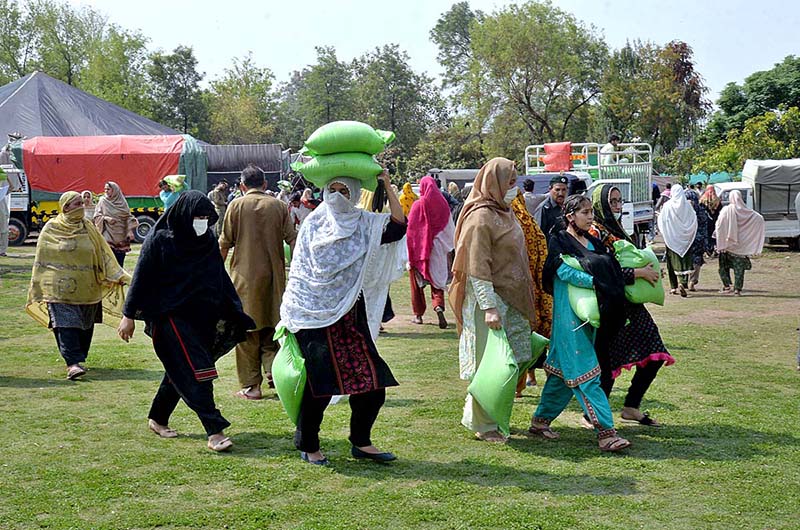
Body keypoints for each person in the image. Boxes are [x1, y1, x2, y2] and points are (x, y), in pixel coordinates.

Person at [280, 172, 406, 465]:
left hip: (349, 313)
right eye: (331, 190)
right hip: (313, 317)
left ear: (355, 193)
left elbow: (399, 226)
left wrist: (387, 185)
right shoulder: (313, 223)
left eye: (344, 191)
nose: (336, 196)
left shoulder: (363, 224)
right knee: (320, 386)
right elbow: (301, 272)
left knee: (373, 384)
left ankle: (361, 442)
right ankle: (308, 443)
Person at [118, 191, 255, 452]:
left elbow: (219, 277)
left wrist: (235, 311)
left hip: (202, 316)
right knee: (198, 371)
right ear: (184, 215)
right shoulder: (160, 240)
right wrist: (128, 316)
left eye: (206, 217)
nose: (202, 222)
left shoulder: (207, 240)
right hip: (168, 316)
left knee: (181, 369)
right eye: (197, 216)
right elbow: (142, 278)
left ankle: (158, 418)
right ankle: (215, 430)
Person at [530, 194, 631, 452]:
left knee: (562, 373)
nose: (589, 217)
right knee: (586, 373)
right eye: (584, 212)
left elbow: (610, 267)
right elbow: (562, 271)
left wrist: (605, 283)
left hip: (592, 314)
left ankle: (540, 422)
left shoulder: (594, 242)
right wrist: (596, 282)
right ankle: (606, 433)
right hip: (569, 318)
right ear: (570, 216)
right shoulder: (559, 240)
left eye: (591, 212)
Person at [450, 157, 536, 443]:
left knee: (513, 359)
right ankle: (483, 424)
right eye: (510, 183)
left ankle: (490, 416)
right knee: (490, 364)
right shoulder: (480, 217)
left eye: (515, 182)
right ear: (494, 183)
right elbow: (477, 266)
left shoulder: (505, 211)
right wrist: (489, 307)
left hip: (510, 298)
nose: (515, 188)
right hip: (489, 302)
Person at [590, 184, 675, 426]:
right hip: (613, 304)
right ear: (601, 204)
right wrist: (637, 273)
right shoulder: (595, 234)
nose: (617, 206)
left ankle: (631, 406)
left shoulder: (615, 229)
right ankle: (594, 414)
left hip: (631, 305)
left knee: (654, 353)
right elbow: (601, 271)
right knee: (609, 362)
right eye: (613, 202)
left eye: (619, 201)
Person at [26, 191, 130, 380]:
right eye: (76, 204)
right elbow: (43, 260)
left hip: (88, 287)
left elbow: (103, 252)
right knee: (66, 323)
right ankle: (72, 364)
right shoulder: (52, 228)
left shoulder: (88, 227)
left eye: (82, 203)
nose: (81, 207)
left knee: (85, 325)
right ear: (65, 207)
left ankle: (78, 357)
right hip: (58, 289)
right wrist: (41, 285)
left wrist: (118, 274)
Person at [219, 165, 297, 400]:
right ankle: (275, 372)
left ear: (242, 186)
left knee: (246, 334)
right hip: (275, 279)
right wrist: (296, 271)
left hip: (244, 280)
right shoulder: (279, 206)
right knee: (272, 329)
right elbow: (293, 240)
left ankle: (252, 386)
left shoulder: (236, 205)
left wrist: (214, 273)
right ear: (265, 184)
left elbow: (224, 243)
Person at [509, 187, 552, 394]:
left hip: (523, 285)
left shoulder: (515, 219)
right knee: (528, 333)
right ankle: (525, 379)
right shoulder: (525, 219)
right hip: (529, 284)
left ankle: (521, 381)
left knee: (523, 335)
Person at [407, 176, 455, 329]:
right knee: (436, 283)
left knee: (416, 286)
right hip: (438, 251)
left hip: (420, 252)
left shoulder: (417, 205)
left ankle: (418, 315)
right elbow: (449, 230)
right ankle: (438, 306)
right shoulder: (443, 205)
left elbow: (411, 232)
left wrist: (412, 251)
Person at [715, 189, 765, 296]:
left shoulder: (726, 210)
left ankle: (727, 286)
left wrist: (720, 239)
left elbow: (719, 225)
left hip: (727, 245)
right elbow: (759, 218)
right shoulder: (748, 212)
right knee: (739, 269)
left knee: (723, 267)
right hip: (741, 246)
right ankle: (737, 289)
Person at [658, 185, 697, 297]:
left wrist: (667, 233)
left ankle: (673, 287)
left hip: (671, 239)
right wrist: (687, 234)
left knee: (671, 262)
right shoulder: (687, 206)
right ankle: (682, 282)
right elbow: (693, 220)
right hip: (685, 240)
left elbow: (662, 221)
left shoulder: (667, 206)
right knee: (684, 261)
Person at [93, 182, 138, 268]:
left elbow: (128, 217)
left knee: (119, 260)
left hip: (121, 234)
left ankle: (120, 278)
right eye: (105, 189)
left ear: (115, 190)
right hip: (107, 232)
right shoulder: (103, 201)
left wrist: (130, 231)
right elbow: (97, 215)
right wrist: (106, 218)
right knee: (108, 257)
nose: (106, 191)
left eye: (108, 189)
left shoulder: (122, 202)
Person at [684, 189, 709, 291]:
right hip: (698, 240)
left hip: (685, 240)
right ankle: (692, 281)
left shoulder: (682, 211)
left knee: (685, 259)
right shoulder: (701, 210)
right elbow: (705, 226)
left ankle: (684, 281)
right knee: (697, 261)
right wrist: (706, 243)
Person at [533, 175, 568, 241]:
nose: (561, 193)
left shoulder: (567, 206)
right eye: (557, 190)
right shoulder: (544, 208)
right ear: (550, 189)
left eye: (564, 190)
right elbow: (538, 235)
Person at [700, 185, 722, 251]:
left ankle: (707, 249)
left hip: (705, 220)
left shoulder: (702, 199)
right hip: (715, 220)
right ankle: (714, 247)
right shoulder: (717, 200)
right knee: (714, 234)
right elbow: (720, 209)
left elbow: (700, 209)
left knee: (707, 234)